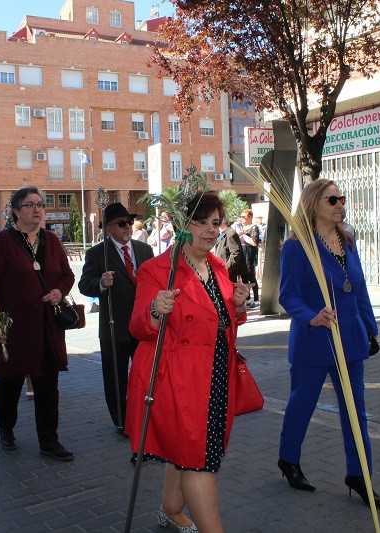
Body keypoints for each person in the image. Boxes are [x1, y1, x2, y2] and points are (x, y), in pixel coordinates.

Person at [126, 191, 250, 533]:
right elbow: (137, 325)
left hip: (214, 375)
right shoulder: (158, 270)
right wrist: (154, 310)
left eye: (215, 223)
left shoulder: (218, 266)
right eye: (201, 222)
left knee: (187, 448)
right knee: (199, 460)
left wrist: (238, 307)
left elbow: (220, 322)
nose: (210, 231)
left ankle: (170, 508)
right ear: (183, 225)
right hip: (176, 381)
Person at [276, 179, 380, 508]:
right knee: (302, 405)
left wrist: (371, 329)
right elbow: (288, 295)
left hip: (350, 341)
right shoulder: (298, 247)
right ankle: (289, 459)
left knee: (356, 413)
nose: (340, 204)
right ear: (314, 206)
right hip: (314, 340)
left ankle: (360, 476)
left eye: (342, 198)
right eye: (332, 200)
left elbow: (360, 287)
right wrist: (311, 315)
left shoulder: (348, 239)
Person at [0, 186, 76, 459]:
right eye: (30, 205)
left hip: (47, 326)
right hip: (14, 326)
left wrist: (60, 291)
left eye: (40, 204)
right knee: (10, 381)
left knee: (48, 384)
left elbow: (67, 275)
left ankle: (49, 440)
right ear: (15, 210)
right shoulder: (3, 242)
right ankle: (6, 428)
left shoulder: (52, 240)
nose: (37, 209)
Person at [78, 202, 153, 434]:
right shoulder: (97, 254)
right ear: (108, 228)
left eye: (129, 222)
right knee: (116, 378)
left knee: (146, 374)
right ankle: (121, 421)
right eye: (121, 224)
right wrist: (100, 283)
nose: (127, 227)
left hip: (143, 324)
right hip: (114, 325)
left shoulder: (144, 250)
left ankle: (147, 416)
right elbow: (84, 284)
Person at [237, 209, 261, 308]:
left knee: (251, 277)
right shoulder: (242, 227)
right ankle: (248, 299)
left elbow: (254, 243)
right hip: (242, 255)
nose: (242, 218)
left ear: (250, 217)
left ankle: (256, 299)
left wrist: (243, 235)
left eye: (244, 216)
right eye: (241, 216)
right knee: (244, 278)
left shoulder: (254, 227)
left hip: (249, 256)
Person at [214, 217, 248, 282]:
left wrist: (226, 267)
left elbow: (235, 252)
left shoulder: (230, 233)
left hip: (228, 272)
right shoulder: (223, 233)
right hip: (221, 269)